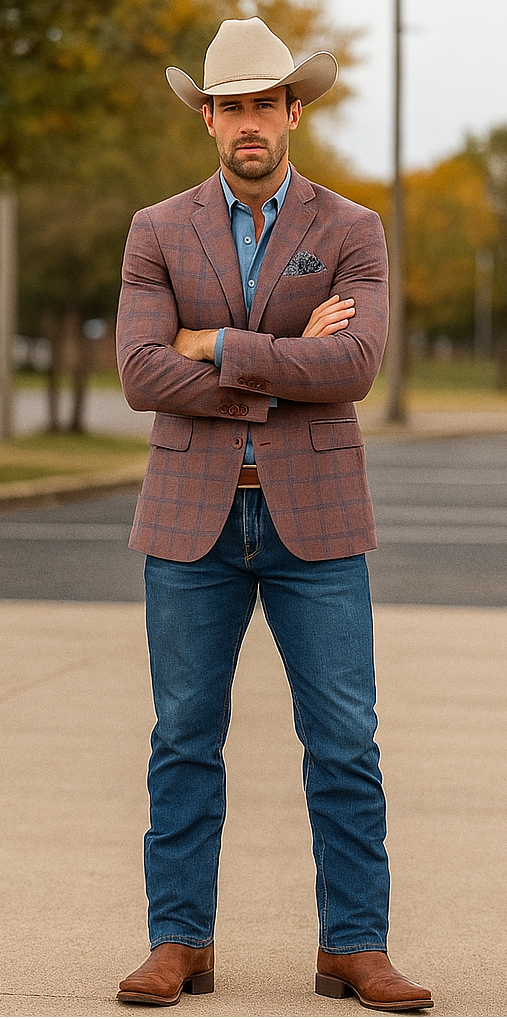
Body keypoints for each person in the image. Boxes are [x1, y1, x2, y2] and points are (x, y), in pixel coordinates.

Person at [115, 16, 434, 1013]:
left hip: (320, 523)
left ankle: (355, 945)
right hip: (190, 523)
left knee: (344, 738)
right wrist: (278, 351)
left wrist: (211, 344)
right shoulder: (156, 230)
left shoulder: (352, 231)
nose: (248, 121)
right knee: (183, 738)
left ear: (294, 109)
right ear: (208, 120)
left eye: (265, 102)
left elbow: (356, 366)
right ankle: (178, 941)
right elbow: (137, 370)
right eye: (230, 106)